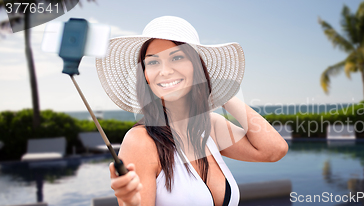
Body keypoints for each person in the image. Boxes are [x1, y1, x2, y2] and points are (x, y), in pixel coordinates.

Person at [95, 16, 289, 206]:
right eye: (153, 62)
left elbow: (274, 150)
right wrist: (130, 203)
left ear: (196, 67)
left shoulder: (209, 126)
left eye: (177, 57)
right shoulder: (141, 142)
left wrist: (222, 93)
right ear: (145, 74)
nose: (165, 71)